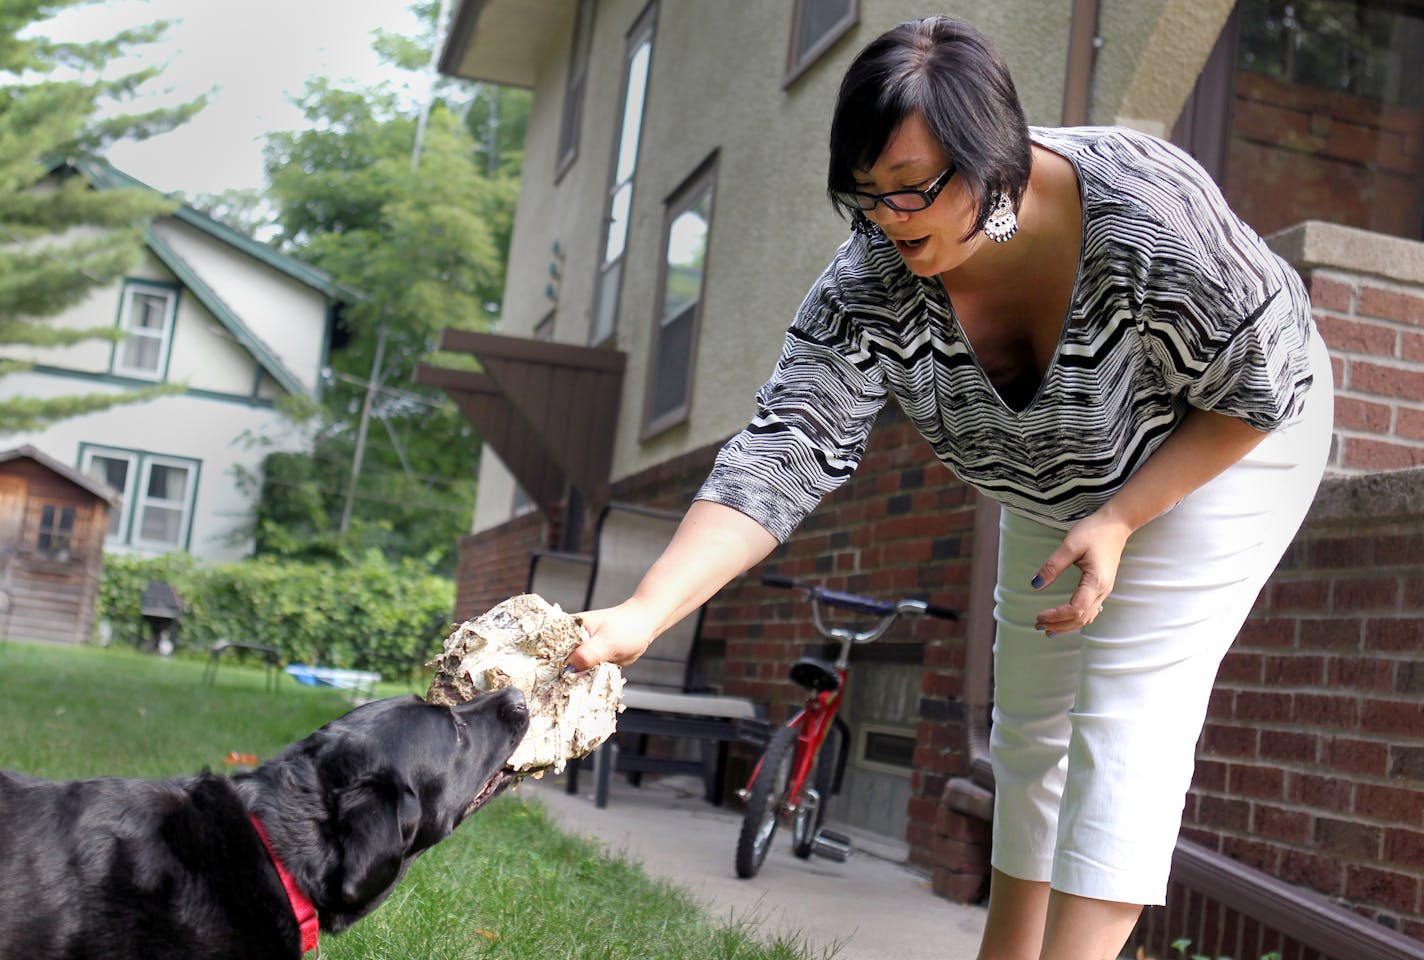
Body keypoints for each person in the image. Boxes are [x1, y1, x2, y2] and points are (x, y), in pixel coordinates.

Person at [566, 15, 1333, 960]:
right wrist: (644, 612)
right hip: (1055, 474)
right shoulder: (870, 285)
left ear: (996, 159)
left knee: (1127, 707)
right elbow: (782, 449)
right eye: (865, 197)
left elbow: (1262, 386)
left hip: (1226, 442)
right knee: (1030, 729)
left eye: (912, 190)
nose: (888, 221)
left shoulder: (1147, 214)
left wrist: (1125, 515)